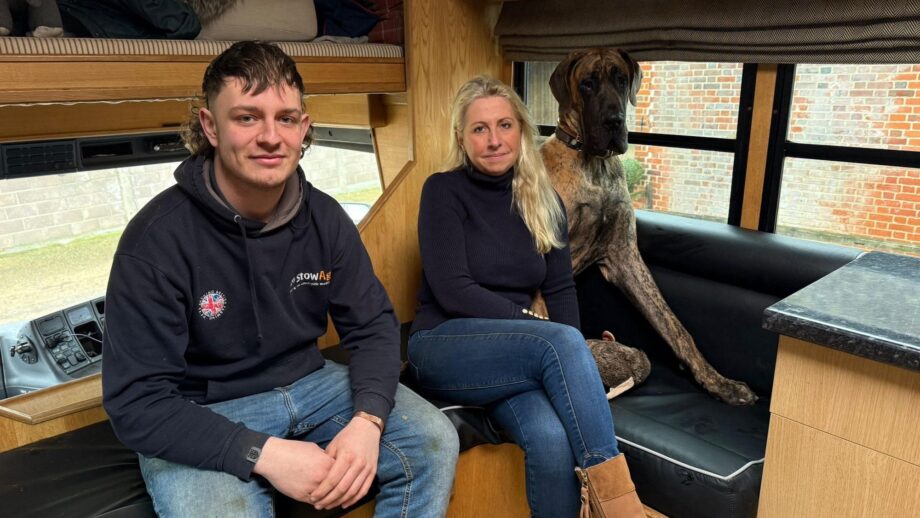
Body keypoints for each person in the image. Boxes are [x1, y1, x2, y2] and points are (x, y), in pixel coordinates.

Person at [102, 41, 458, 517]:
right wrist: (264, 454)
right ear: (210, 126)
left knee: (433, 441)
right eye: (247, 118)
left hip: (311, 383)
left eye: (286, 119)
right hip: (205, 407)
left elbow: (373, 326)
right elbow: (136, 403)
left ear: (303, 128)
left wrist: (368, 420)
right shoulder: (156, 240)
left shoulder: (326, 218)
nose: (271, 137)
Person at [407, 76, 644, 518]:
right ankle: (622, 509)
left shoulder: (545, 200)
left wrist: (556, 338)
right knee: (559, 342)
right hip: (443, 344)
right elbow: (453, 290)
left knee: (551, 440)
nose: (494, 140)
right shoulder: (443, 191)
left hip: (515, 355)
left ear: (521, 129)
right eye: (480, 129)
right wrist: (538, 329)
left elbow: (559, 289)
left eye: (504, 125)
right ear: (462, 137)